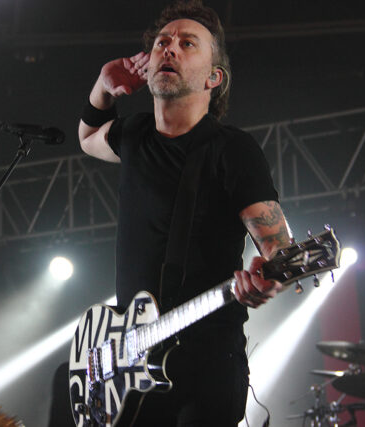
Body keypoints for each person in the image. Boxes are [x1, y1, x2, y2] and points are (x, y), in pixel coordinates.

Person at [78, 1, 291, 425]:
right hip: (132, 363)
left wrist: (268, 280)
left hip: (207, 363)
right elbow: (87, 138)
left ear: (214, 78)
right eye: (162, 42)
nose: (169, 48)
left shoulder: (232, 150)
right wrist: (102, 87)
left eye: (188, 43)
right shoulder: (134, 133)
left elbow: (281, 251)